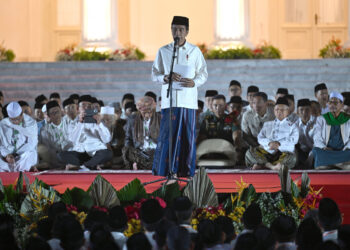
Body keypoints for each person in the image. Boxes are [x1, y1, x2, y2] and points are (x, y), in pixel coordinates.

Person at [152, 15, 208, 178]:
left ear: (187, 31)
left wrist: (194, 82)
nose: (177, 32)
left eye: (181, 29)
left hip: (188, 101)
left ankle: (186, 170)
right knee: (168, 136)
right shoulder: (163, 51)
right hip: (170, 101)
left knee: (187, 137)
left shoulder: (194, 51)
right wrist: (164, 77)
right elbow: (155, 73)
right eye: (174, 29)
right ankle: (167, 170)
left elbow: (203, 73)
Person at [57, 95, 113, 171]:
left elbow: (106, 140)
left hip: (96, 152)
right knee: (61, 155)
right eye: (83, 105)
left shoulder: (99, 121)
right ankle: (92, 165)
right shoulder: (73, 123)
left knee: (108, 153)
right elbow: (72, 139)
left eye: (89, 106)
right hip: (80, 153)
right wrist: (80, 123)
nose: (86, 108)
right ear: (78, 108)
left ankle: (83, 166)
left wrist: (99, 124)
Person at [245, 97, 299, 170]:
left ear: (288, 111)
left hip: (283, 152)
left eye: (282, 110)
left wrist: (278, 144)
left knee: (292, 157)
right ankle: (271, 166)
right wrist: (269, 143)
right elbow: (260, 137)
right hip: (267, 151)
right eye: (277, 110)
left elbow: (294, 139)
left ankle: (263, 165)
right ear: (274, 111)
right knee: (250, 152)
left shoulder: (292, 125)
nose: (279, 112)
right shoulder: (267, 124)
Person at [312, 91, 350, 169]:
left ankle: (329, 164)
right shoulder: (321, 119)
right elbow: (316, 137)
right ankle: (341, 164)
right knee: (317, 151)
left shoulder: (348, 119)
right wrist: (324, 147)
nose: (332, 105)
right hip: (326, 150)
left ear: (342, 105)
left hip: (343, 151)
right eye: (330, 102)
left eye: (335, 103)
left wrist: (346, 148)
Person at [123, 96, 161, 170]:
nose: (147, 115)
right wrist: (133, 159)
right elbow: (128, 139)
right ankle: (137, 163)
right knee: (126, 151)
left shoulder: (160, 119)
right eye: (144, 112)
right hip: (139, 151)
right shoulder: (132, 119)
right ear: (139, 110)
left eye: (149, 112)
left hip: (155, 151)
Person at [0, 102, 38, 172]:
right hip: (8, 157)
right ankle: (17, 169)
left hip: (22, 155)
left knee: (31, 154)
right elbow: (1, 144)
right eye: (12, 120)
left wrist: (16, 154)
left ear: (21, 114)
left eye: (17, 119)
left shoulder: (31, 123)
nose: (14, 122)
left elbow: (32, 143)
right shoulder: (3, 124)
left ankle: (16, 169)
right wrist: (7, 155)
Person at [39, 101, 72, 169]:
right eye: (53, 113)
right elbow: (49, 150)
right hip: (56, 157)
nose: (56, 115)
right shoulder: (45, 130)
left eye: (57, 112)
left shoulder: (69, 123)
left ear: (61, 111)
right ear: (48, 115)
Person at [295, 99, 317, 169]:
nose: (304, 113)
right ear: (297, 112)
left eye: (307, 110)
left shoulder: (318, 122)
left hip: (315, 151)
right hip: (302, 152)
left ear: (311, 111)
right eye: (301, 110)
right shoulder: (294, 125)